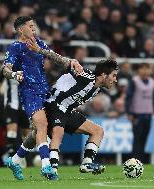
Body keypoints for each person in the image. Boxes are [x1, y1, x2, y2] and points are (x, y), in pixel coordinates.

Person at [9, 40, 118, 179]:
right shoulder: (85, 75)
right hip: (54, 104)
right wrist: (42, 51)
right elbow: (63, 61)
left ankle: (87, 163)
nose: (115, 80)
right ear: (103, 75)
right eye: (113, 75)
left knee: (97, 131)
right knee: (57, 133)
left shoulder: (96, 89)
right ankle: (52, 169)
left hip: (67, 111)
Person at [1, 16, 82, 180]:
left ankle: (15, 160)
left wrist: (71, 61)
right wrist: (14, 74)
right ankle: (47, 166)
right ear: (20, 29)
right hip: (29, 93)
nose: (33, 29)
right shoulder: (15, 47)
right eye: (30, 26)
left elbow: (56, 58)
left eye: (34, 26)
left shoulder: (39, 43)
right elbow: (4, 69)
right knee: (42, 124)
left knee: (38, 130)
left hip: (45, 91)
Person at [0, 67, 31, 162]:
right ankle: (11, 157)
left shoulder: (28, 65)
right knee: (12, 129)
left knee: (27, 134)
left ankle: (27, 158)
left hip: (25, 106)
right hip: (11, 104)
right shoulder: (6, 68)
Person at [125, 63, 154, 163]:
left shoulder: (152, 82)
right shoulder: (134, 81)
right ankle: (134, 161)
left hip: (148, 114)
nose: (144, 71)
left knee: (144, 139)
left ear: (150, 70)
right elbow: (129, 97)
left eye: (146, 68)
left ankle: (141, 161)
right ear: (138, 70)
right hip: (137, 114)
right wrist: (129, 112)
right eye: (142, 68)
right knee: (137, 139)